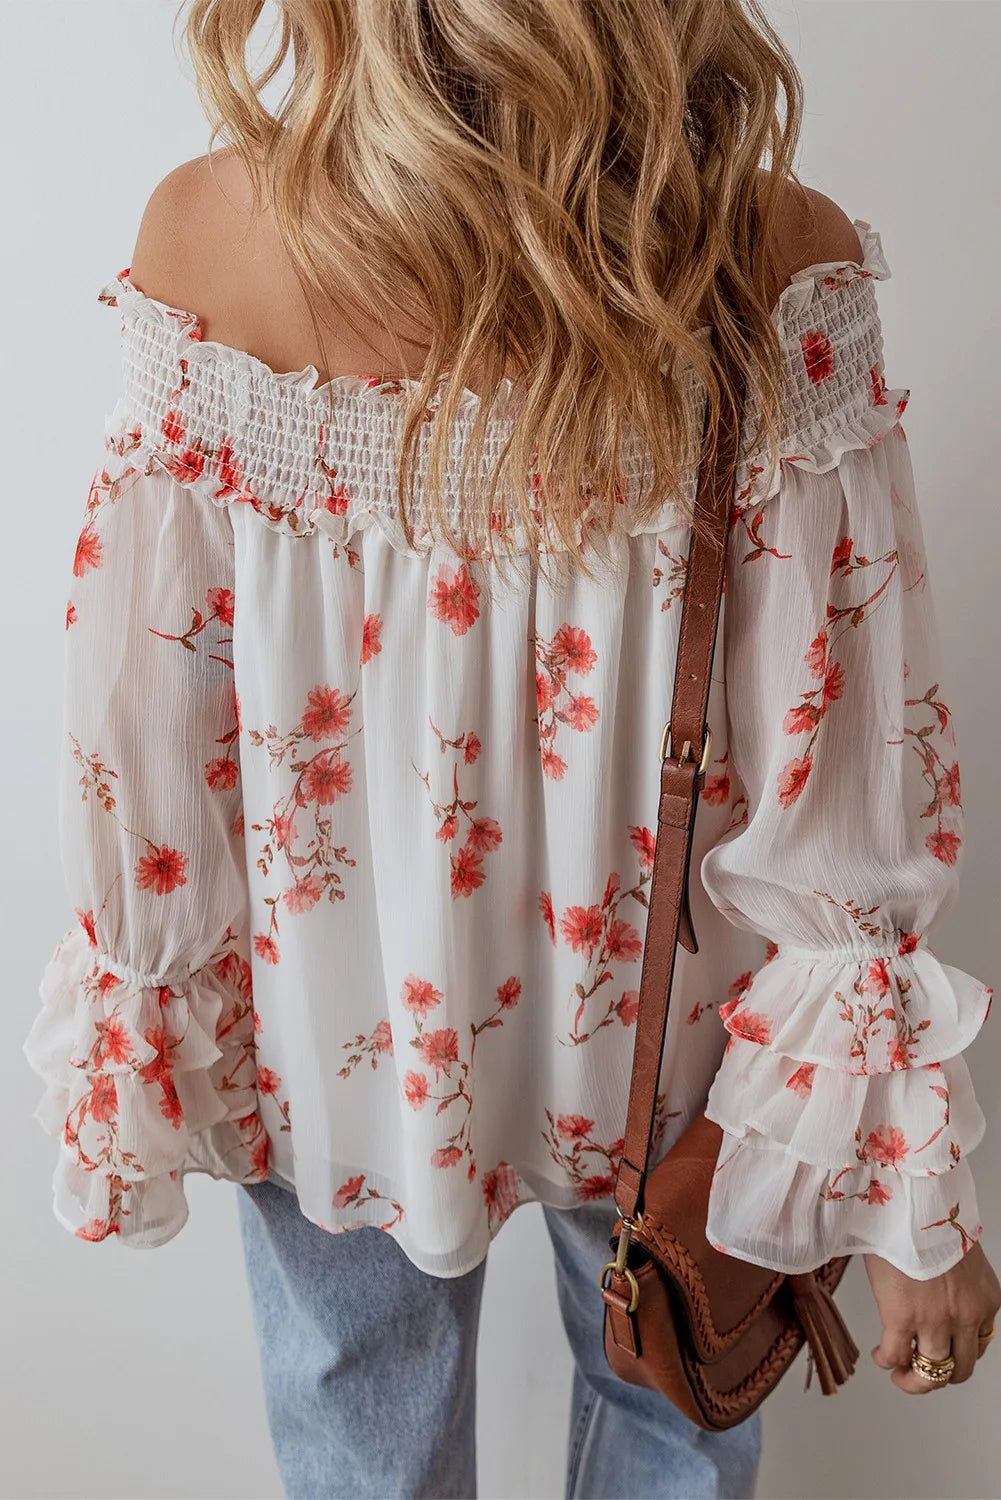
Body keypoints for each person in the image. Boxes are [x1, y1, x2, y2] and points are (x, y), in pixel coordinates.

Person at [22, 1, 999, 1496]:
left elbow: (146, 735)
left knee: (362, 1434)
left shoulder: (216, 239)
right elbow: (846, 746)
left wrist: (158, 995)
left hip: (334, 1022)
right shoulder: (762, 253)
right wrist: (903, 1168)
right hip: (669, 1028)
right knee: (675, 1427)